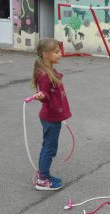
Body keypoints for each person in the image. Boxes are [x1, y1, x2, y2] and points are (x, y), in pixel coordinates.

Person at [30, 38, 72, 190]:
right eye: (56, 52)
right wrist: (42, 96)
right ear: (45, 54)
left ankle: (43, 174)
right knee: (50, 147)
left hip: (53, 117)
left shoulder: (50, 70)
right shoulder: (43, 74)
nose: (60, 54)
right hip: (50, 118)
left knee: (47, 145)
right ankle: (43, 179)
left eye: (59, 51)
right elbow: (45, 94)